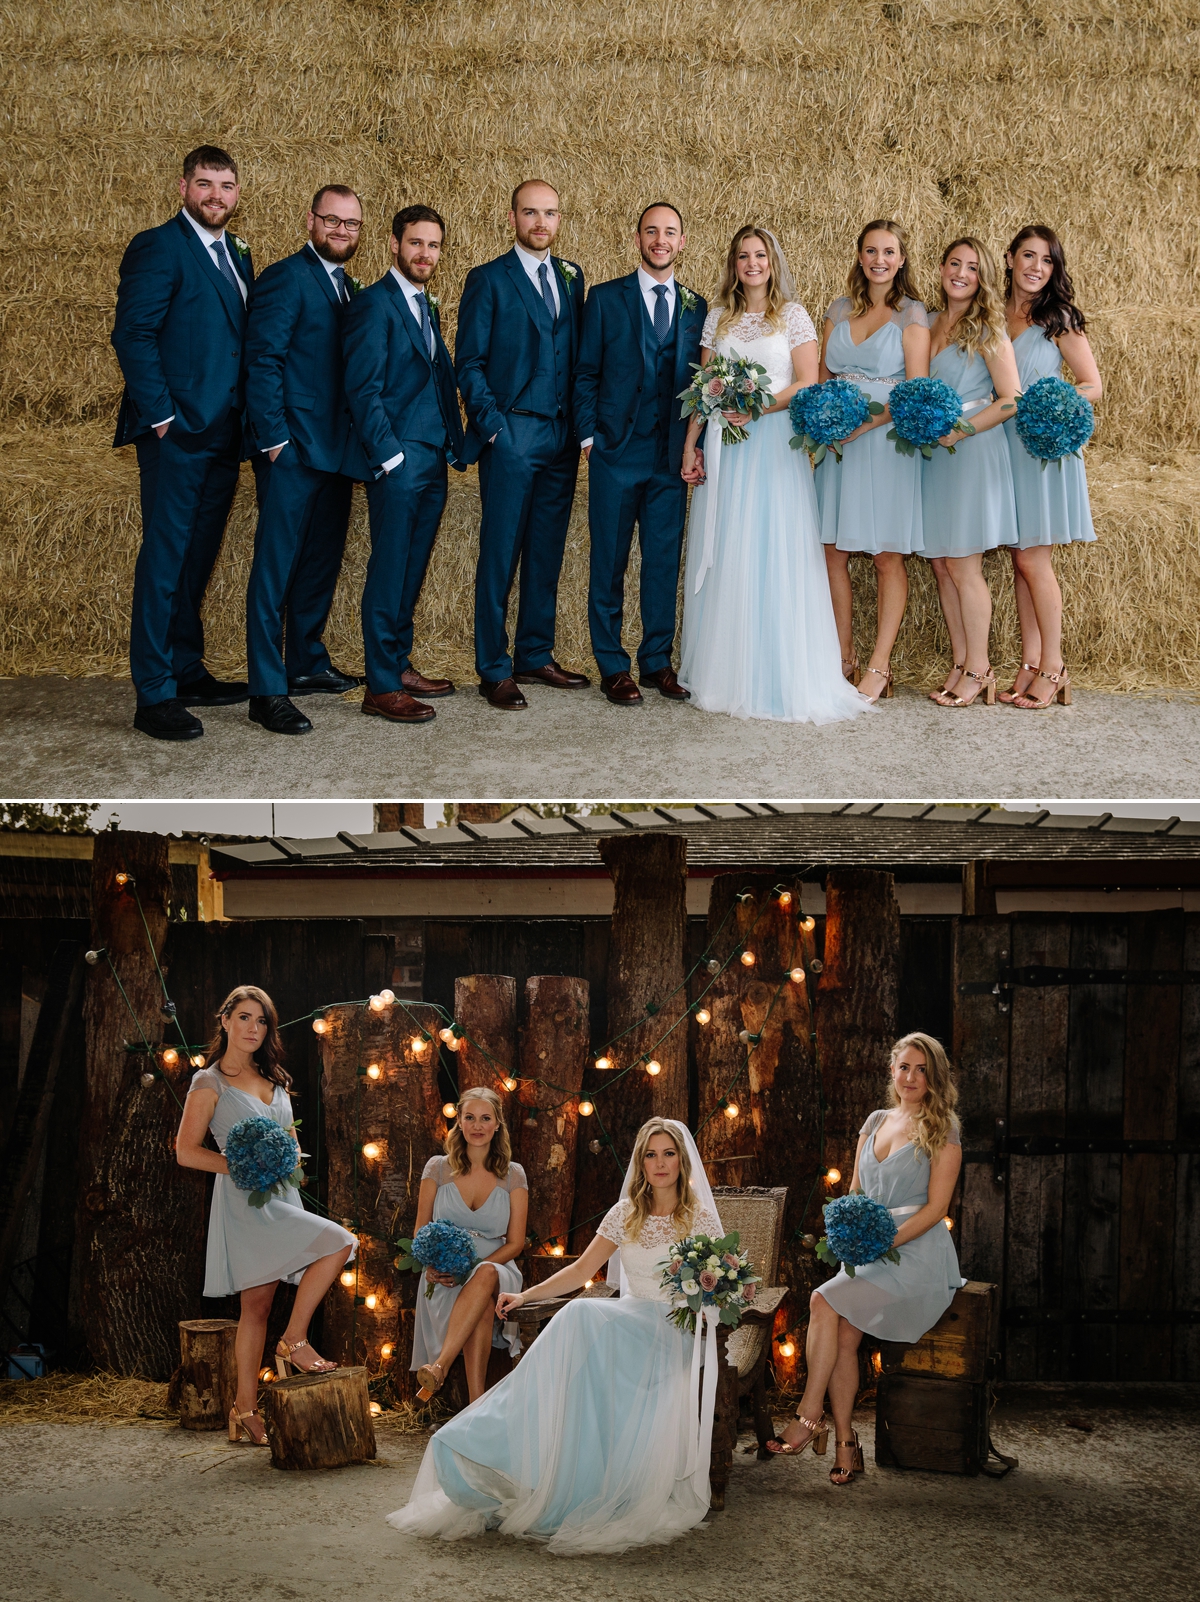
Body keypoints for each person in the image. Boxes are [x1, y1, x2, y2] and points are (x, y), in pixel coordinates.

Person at [386, 1118, 724, 1554]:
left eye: (669, 1153)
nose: (660, 1164)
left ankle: (538, 1439)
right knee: (582, 1321)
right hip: (629, 1321)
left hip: (673, 1329)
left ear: (682, 1159)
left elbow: (721, 1280)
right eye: (651, 1154)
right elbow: (583, 1270)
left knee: (584, 1314)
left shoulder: (697, 1216)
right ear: (640, 1163)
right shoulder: (626, 1213)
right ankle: (510, 1440)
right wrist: (525, 1295)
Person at [678, 226, 872, 724]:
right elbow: (704, 386)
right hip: (727, 447)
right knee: (731, 549)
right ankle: (727, 672)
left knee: (772, 548)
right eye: (743, 255)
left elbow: (807, 381)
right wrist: (690, 445)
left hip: (772, 445)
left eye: (759, 254)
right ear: (733, 264)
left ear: (773, 260)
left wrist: (759, 405)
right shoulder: (718, 318)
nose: (752, 263)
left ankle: (778, 676)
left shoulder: (794, 316)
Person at [767, 1032, 964, 1484]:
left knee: (821, 1301)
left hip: (915, 1253)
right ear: (892, 1071)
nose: (911, 1077)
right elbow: (856, 1191)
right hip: (868, 1250)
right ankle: (845, 1444)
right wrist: (845, 1233)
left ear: (934, 1077)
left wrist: (883, 1243)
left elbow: (937, 1210)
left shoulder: (943, 1127)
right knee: (843, 1338)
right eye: (904, 1067)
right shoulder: (875, 1120)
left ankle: (807, 1414)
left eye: (921, 1069)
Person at [111, 145, 256, 742]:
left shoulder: (237, 256)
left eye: (225, 186)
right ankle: (154, 694)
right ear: (183, 188)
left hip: (223, 433)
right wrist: (163, 416)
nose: (215, 196)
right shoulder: (158, 246)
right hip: (177, 432)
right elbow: (133, 334)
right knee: (166, 559)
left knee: (198, 556)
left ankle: (187, 669)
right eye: (205, 184)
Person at [174, 985, 357, 1446]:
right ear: (225, 1021)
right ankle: (271, 1374)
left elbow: (291, 1145)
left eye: (261, 1022)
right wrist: (240, 1167)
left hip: (281, 1197)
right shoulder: (208, 1082)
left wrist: (289, 1159)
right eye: (244, 1018)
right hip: (243, 1203)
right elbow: (185, 1152)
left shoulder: (276, 1081)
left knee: (326, 1253)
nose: (253, 1028)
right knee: (266, 1299)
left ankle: (265, 1377)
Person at [455, 180, 589, 711]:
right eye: (531, 212)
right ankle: (493, 666)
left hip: (559, 437)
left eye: (550, 213)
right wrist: (495, 430)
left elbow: (576, 358)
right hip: (512, 433)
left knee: (545, 550)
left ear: (559, 219)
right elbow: (469, 363)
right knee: (500, 552)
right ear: (512, 217)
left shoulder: (572, 278)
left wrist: (580, 428)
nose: (541, 222)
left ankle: (534, 653)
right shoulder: (487, 279)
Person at [243, 184, 368, 738]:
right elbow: (262, 360)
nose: (341, 231)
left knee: (319, 561)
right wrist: (274, 439)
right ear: (311, 221)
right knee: (275, 569)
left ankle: (307, 661)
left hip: (335, 451)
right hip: (292, 449)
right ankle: (267, 690)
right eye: (332, 221)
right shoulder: (283, 278)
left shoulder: (345, 288)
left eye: (351, 224)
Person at [573, 205, 707, 706]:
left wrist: (696, 448)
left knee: (662, 562)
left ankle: (655, 662)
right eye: (651, 231)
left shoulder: (697, 309)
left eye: (669, 232)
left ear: (682, 241)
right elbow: (585, 372)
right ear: (637, 239)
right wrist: (589, 438)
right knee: (608, 561)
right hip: (615, 452)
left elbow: (703, 385)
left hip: (670, 458)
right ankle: (612, 664)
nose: (660, 239)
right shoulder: (606, 298)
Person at [340, 205, 467, 725]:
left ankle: (399, 661)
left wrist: (453, 445)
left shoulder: (424, 305)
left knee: (412, 567)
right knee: (390, 569)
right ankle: (381, 685)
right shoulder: (374, 305)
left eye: (433, 245)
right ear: (394, 244)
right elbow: (362, 389)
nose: (425, 254)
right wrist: (390, 456)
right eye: (416, 243)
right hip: (398, 461)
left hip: (433, 457)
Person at [815, 220, 931, 702]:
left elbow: (915, 391)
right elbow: (821, 377)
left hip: (884, 444)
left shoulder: (913, 315)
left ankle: (879, 665)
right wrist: (823, 423)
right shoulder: (838, 309)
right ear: (859, 257)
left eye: (889, 252)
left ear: (902, 260)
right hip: (837, 445)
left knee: (886, 555)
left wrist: (863, 423)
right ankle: (842, 654)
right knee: (832, 552)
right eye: (870, 251)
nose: (879, 259)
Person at [999, 225, 1101, 710]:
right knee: (1022, 561)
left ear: (1054, 269)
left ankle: (1055, 667)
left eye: (1046, 260)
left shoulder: (1058, 318)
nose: (1036, 267)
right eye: (1028, 256)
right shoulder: (994, 315)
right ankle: (1030, 660)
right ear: (1010, 259)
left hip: (1043, 448)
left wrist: (1050, 404)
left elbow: (1091, 384)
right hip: (1004, 448)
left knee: (1033, 560)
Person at [921, 238, 1020, 708]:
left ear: (983, 278)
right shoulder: (932, 322)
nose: (961, 273)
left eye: (972, 268)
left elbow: (1011, 398)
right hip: (937, 454)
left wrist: (959, 432)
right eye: (954, 264)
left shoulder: (988, 327)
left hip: (972, 448)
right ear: (941, 268)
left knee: (964, 565)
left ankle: (980, 668)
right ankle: (961, 662)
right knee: (942, 564)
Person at [409, 1087, 528, 1404]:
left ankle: (438, 1368)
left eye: (485, 1118)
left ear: (497, 1123)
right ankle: (476, 1409)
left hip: (499, 1272)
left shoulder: (513, 1174)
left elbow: (516, 1242)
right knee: (483, 1308)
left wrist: (473, 1270)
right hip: (445, 1275)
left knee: (486, 1273)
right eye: (470, 1117)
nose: (478, 1125)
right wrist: (430, 1265)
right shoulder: (437, 1168)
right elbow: (421, 1229)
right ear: (459, 1122)